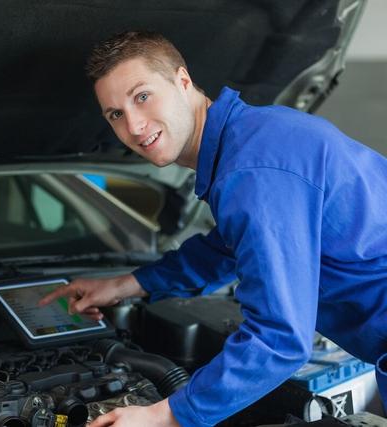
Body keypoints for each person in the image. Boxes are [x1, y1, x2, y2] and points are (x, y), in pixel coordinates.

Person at [38, 31, 387, 426]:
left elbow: (279, 339)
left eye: (142, 96)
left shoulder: (254, 170)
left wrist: (167, 414)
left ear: (182, 81)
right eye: (115, 114)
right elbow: (228, 247)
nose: (133, 126)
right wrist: (127, 284)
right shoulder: (250, 140)